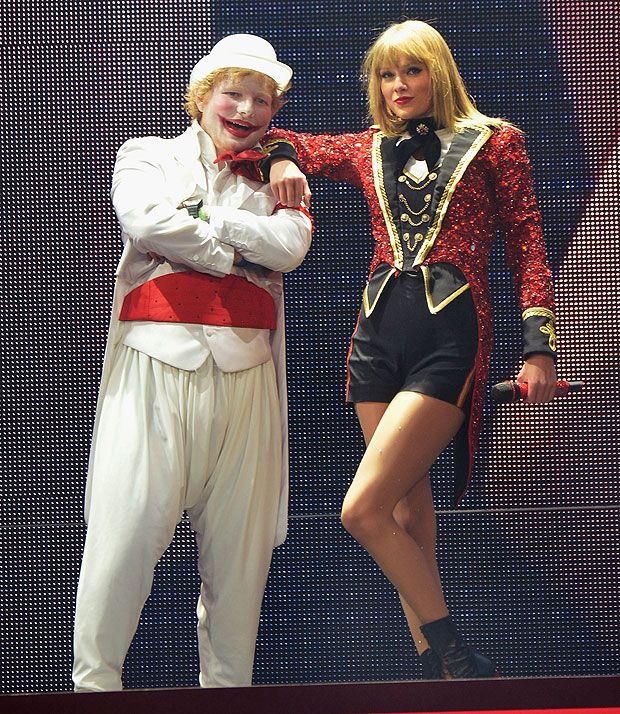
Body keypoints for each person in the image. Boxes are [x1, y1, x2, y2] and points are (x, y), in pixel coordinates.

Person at [265, 19, 557, 678]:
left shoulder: (494, 142)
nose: (399, 86)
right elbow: (287, 140)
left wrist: (540, 347)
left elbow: (527, 243)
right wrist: (280, 156)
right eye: (387, 74)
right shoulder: (366, 147)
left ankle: (458, 657)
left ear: (438, 72)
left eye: (412, 71)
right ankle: (438, 668)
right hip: (375, 340)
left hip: (449, 337)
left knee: (360, 509)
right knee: (403, 512)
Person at [72, 34, 312, 691]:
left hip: (246, 373)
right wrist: (240, 250)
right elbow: (146, 220)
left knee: (241, 562)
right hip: (157, 362)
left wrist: (210, 222)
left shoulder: (281, 173)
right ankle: (94, 690)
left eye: (262, 98)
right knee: (122, 541)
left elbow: (290, 247)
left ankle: (229, 699)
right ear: (203, 95)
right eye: (235, 92)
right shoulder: (147, 154)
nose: (247, 108)